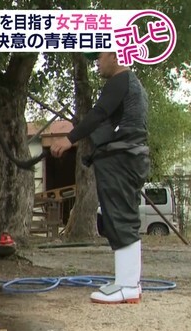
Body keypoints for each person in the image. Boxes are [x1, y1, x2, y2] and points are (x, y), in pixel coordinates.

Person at [50, 51, 150, 304]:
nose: (96, 62)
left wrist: (69, 138)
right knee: (117, 216)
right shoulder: (131, 83)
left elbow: (97, 115)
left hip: (121, 158)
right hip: (127, 158)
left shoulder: (120, 80)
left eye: (99, 57)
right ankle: (127, 282)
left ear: (115, 55)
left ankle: (127, 286)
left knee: (120, 217)